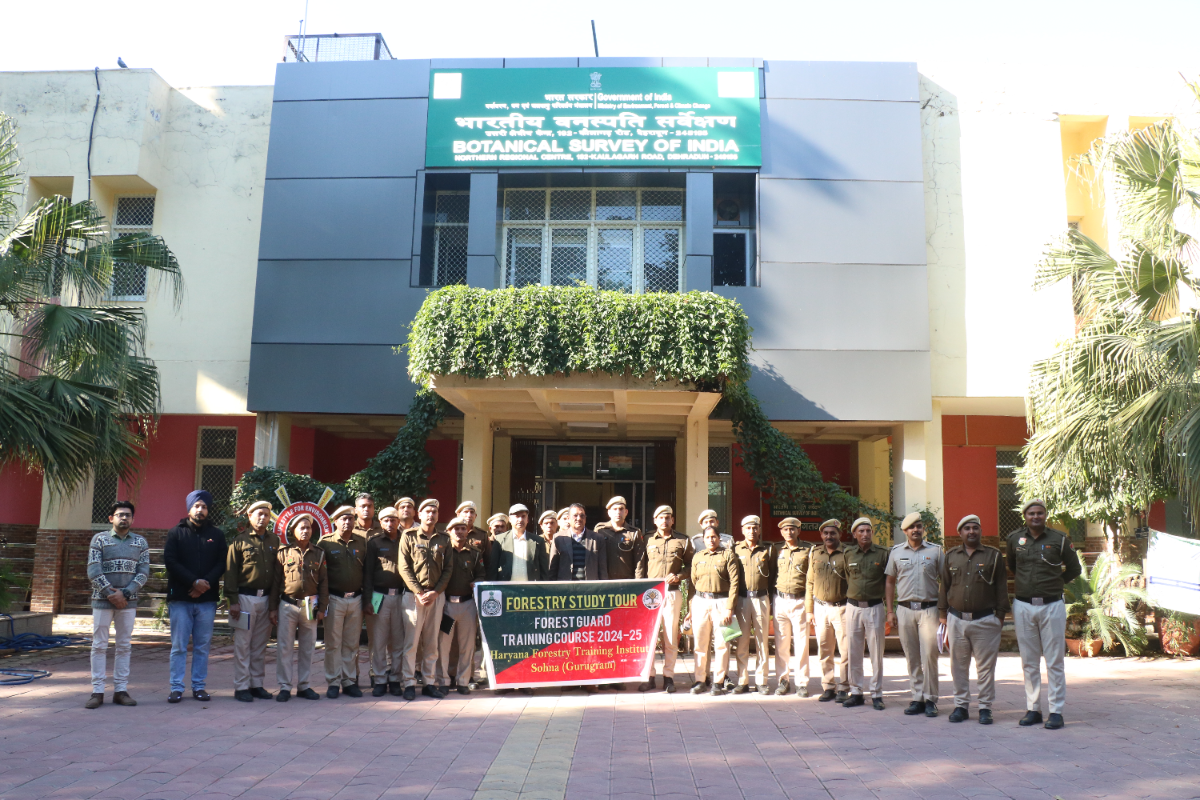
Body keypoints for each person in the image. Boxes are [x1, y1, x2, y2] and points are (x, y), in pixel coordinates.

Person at [1007, 499, 1081, 730]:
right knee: (1029, 661)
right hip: (1023, 605)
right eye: (1031, 513)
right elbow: (1012, 565)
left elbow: (1075, 568)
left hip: (1052, 606)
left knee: (1054, 660)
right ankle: (1033, 709)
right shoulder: (1014, 539)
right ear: (1025, 516)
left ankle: (1056, 711)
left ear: (1045, 515)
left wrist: (1054, 583)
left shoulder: (1059, 539)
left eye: (1040, 513)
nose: (1036, 517)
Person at [940, 514, 1009, 725]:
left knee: (985, 667)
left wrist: (999, 616)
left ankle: (985, 708)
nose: (971, 532)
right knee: (958, 665)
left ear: (980, 531)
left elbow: (1001, 587)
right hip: (956, 620)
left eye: (975, 528)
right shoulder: (950, 556)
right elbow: (944, 585)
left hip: (985, 620)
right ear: (960, 533)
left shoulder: (993, 556)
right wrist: (942, 615)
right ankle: (961, 705)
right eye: (967, 528)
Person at [164, 489, 227, 703]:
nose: (200, 510)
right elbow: (171, 562)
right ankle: (176, 688)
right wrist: (193, 582)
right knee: (179, 646)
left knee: (202, 646)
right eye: (197, 506)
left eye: (204, 507)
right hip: (181, 599)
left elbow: (221, 563)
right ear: (189, 508)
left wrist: (203, 585)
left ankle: (199, 687)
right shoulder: (176, 532)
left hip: (206, 601)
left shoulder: (217, 535)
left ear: (208, 510)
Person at [85, 501, 149, 709]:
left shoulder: (140, 542)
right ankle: (97, 692)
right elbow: (94, 570)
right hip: (102, 601)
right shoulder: (100, 539)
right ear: (111, 518)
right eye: (120, 514)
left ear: (132, 519)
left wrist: (126, 593)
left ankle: (121, 691)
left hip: (128, 603)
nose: (124, 518)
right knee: (99, 645)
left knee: (124, 646)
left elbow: (143, 572)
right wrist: (111, 594)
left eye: (128, 515)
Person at [885, 511, 944, 718]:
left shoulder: (936, 551)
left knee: (929, 655)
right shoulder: (896, 552)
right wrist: (890, 611)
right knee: (911, 656)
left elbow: (945, 581)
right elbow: (890, 581)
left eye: (919, 526)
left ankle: (930, 699)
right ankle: (917, 697)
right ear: (905, 531)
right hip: (905, 610)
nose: (916, 530)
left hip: (929, 609)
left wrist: (944, 612)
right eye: (912, 527)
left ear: (923, 529)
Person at [225, 499, 280, 702]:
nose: (263, 517)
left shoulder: (274, 541)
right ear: (250, 516)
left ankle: (257, 684)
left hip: (266, 599)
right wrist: (233, 600)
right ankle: (241, 686)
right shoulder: (239, 541)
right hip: (245, 598)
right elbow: (230, 572)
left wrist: (274, 604)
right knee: (243, 645)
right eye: (259, 514)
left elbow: (276, 574)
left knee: (259, 645)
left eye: (266, 514)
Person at [269, 514, 328, 701]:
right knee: (285, 647)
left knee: (308, 648)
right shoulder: (283, 553)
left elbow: (324, 583)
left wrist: (322, 608)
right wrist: (272, 608)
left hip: (310, 606)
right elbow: (276, 582)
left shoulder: (319, 553)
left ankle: (304, 686)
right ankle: (285, 686)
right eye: (301, 527)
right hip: (288, 604)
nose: (305, 531)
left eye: (308, 528)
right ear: (294, 530)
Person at [636, 505, 693, 693]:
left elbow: (691, 566)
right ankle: (649, 676)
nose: (664, 521)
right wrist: (638, 588)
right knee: (649, 637)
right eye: (661, 517)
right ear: (655, 520)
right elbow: (640, 566)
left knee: (670, 636)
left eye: (668, 517)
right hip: (649, 594)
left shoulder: (683, 541)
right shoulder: (647, 539)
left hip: (672, 592)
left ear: (673, 520)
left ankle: (669, 677)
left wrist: (679, 576)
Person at [399, 498, 452, 700]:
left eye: (434, 512)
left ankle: (429, 682)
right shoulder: (409, 536)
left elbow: (448, 569)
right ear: (419, 515)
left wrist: (436, 592)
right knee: (411, 642)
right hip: (414, 597)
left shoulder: (444, 539)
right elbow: (404, 567)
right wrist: (419, 592)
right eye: (427, 511)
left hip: (436, 596)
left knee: (431, 642)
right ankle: (409, 682)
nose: (431, 515)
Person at [318, 505, 367, 698]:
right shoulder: (326, 543)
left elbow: (367, 571)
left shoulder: (361, 543)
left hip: (356, 598)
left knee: (351, 643)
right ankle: (333, 681)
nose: (347, 522)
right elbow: (320, 575)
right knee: (333, 642)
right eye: (343, 519)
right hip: (334, 598)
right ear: (335, 521)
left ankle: (349, 681)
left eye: (350, 519)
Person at [842, 517, 890, 710]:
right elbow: (847, 577)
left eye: (868, 531)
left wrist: (889, 609)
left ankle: (877, 693)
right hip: (853, 607)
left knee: (876, 652)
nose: (865, 534)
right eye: (861, 531)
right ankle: (856, 692)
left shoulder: (883, 554)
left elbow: (888, 581)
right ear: (854, 534)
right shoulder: (848, 554)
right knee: (853, 651)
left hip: (875, 607)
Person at [689, 527, 741, 696]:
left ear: (719, 538)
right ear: (703, 540)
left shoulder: (728, 555)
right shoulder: (698, 556)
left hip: (722, 602)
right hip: (701, 601)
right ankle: (700, 680)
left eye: (714, 537)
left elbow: (734, 583)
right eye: (708, 537)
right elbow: (693, 581)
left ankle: (718, 682)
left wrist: (729, 608)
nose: (711, 540)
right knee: (700, 644)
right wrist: (691, 607)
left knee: (722, 644)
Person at [440, 516, 486, 695]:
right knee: (444, 644)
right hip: (446, 605)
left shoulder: (474, 553)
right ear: (449, 531)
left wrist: (477, 582)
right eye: (456, 528)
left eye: (462, 528)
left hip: (467, 605)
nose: (459, 532)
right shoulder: (443, 551)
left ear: (467, 531)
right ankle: (444, 680)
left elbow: (482, 574)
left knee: (467, 646)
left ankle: (463, 681)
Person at [363, 506, 406, 696]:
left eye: (393, 519)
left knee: (398, 641)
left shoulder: (406, 539)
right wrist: (367, 600)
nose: (390, 523)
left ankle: (395, 678)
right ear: (381, 523)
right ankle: (379, 679)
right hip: (379, 596)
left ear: (399, 521)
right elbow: (368, 573)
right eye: (386, 520)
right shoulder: (374, 543)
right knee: (378, 641)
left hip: (401, 596)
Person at [807, 519, 850, 703]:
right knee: (824, 649)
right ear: (821, 535)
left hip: (842, 608)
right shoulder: (815, 553)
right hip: (820, 608)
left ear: (839, 535)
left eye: (832, 533)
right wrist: (809, 610)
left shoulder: (847, 553)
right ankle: (828, 685)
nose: (829, 536)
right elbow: (810, 582)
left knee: (845, 650)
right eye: (825, 533)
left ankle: (845, 686)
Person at [733, 515, 772, 694]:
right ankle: (742, 680)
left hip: (761, 599)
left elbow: (773, 577)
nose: (752, 531)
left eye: (755, 527)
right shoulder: (734, 550)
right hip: (741, 599)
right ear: (742, 530)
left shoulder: (768, 550)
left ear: (760, 529)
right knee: (741, 641)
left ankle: (761, 681)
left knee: (762, 641)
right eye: (748, 528)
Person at [773, 517, 812, 697]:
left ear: (798, 531)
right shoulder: (776, 550)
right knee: (781, 643)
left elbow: (811, 579)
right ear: (781, 532)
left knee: (802, 643)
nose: (789, 532)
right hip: (780, 600)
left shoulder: (808, 550)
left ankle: (802, 682)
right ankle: (783, 680)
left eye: (792, 529)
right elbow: (772, 574)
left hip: (799, 601)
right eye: (786, 529)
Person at [549, 503, 609, 580]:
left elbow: (602, 569)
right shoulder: (558, 538)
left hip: (590, 589)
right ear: (568, 518)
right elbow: (552, 569)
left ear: (585, 518)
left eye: (582, 516)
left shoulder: (597, 538)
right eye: (575, 515)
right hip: (566, 588)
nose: (579, 518)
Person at [491, 504, 550, 582]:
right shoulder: (499, 539)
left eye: (523, 516)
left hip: (530, 589)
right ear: (510, 520)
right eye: (516, 516)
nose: (520, 520)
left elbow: (544, 571)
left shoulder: (538, 541)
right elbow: (493, 568)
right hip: (506, 589)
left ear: (527, 519)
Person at [594, 495, 644, 581]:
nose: (618, 512)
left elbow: (639, 560)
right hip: (605, 581)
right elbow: (594, 556)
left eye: (621, 509)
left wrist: (638, 582)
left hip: (627, 581)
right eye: (615, 509)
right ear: (609, 513)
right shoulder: (600, 530)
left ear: (626, 512)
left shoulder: (634, 532)